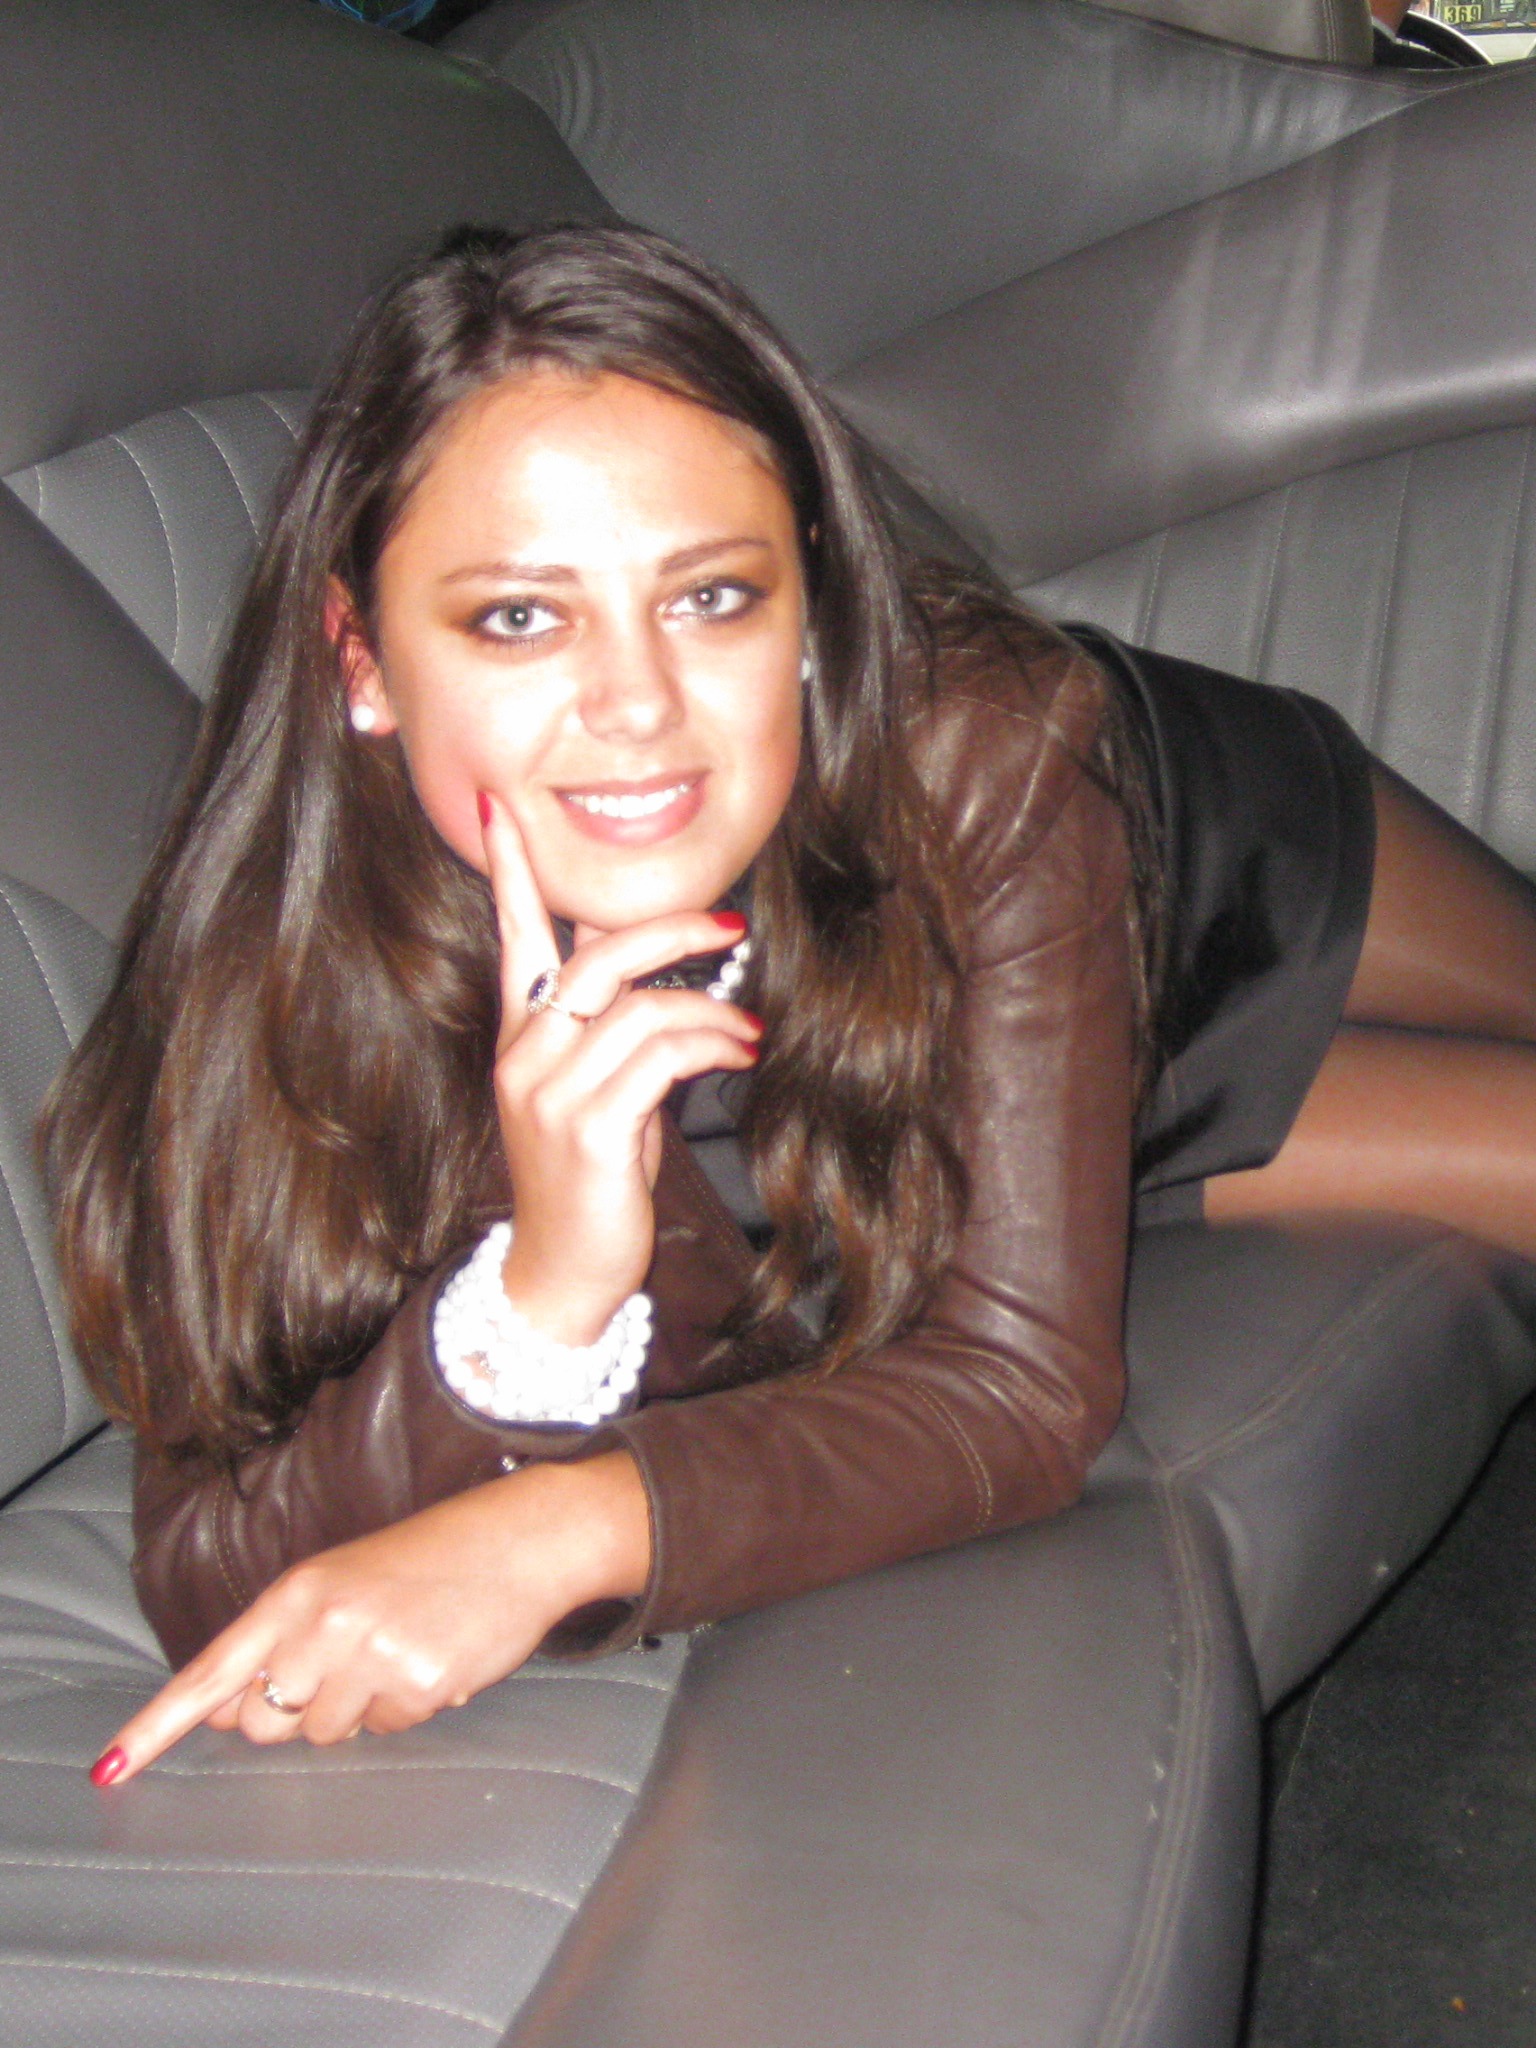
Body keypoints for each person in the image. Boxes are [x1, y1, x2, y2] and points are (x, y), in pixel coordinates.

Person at [44, 224, 1536, 1787]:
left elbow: (1022, 1390)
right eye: (521, 619)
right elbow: (210, 1561)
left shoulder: (981, 747)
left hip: (1196, 875)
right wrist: (541, 1296)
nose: (637, 707)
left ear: (808, 611)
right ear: (361, 660)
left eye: (711, 599)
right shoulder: (280, 968)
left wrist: (573, 1524)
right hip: (1022, 1105)